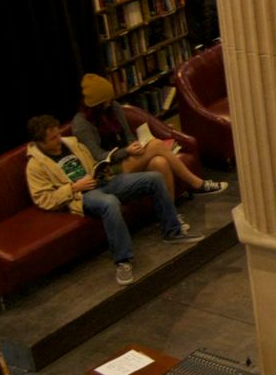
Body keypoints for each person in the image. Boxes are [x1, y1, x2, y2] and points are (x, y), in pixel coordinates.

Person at [25, 114, 197, 285]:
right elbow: (43, 199)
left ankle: (172, 231)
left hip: (102, 181)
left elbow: (92, 162)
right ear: (41, 143)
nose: (59, 139)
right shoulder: (35, 166)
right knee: (110, 203)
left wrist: (102, 170)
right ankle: (123, 261)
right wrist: (73, 187)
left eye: (58, 134)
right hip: (82, 194)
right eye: (53, 138)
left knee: (154, 178)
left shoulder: (71, 143)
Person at [72, 73, 227, 202]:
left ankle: (171, 217)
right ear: (95, 104)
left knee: (160, 162)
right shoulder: (82, 124)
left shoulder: (114, 108)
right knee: (155, 145)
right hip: (108, 171)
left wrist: (136, 146)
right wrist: (127, 151)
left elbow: (127, 134)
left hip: (128, 157)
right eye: (105, 101)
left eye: (110, 99)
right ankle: (197, 183)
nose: (109, 102)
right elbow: (98, 157)